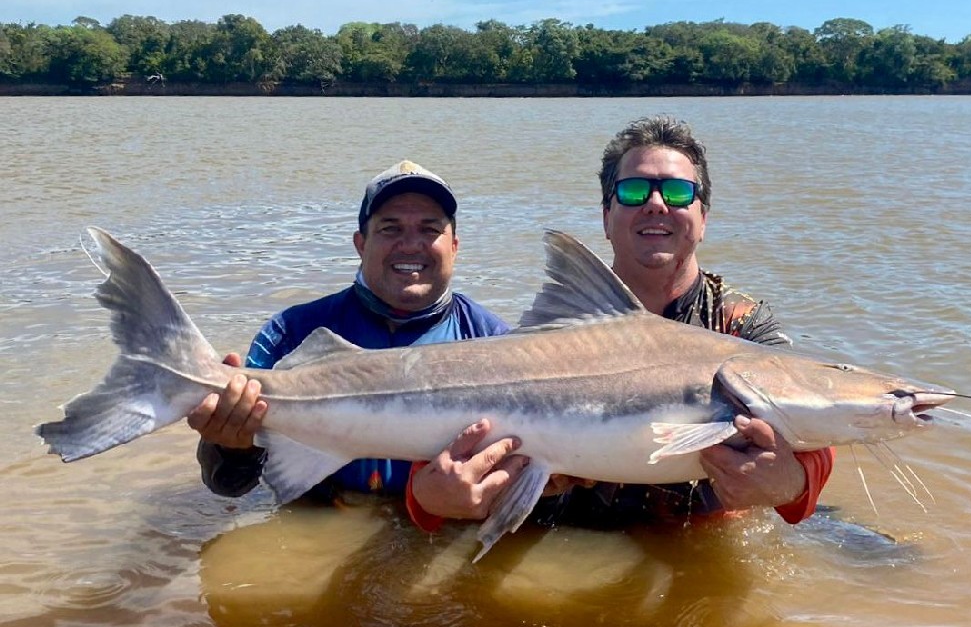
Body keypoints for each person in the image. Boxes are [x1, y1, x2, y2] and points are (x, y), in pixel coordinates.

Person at [407, 115, 834, 533]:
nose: (655, 203)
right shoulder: (556, 334)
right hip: (568, 534)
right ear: (606, 218)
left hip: (694, 542)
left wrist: (793, 484)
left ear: (704, 218)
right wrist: (426, 500)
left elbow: (814, 420)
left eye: (677, 191)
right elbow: (447, 437)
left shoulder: (740, 326)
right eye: (632, 191)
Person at [189, 159, 528, 524]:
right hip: (313, 526)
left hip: (439, 535)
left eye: (430, 229)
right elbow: (228, 486)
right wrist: (230, 447)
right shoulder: (292, 332)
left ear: (455, 246)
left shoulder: (495, 342)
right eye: (390, 228)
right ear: (360, 243)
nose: (411, 244)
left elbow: (528, 480)